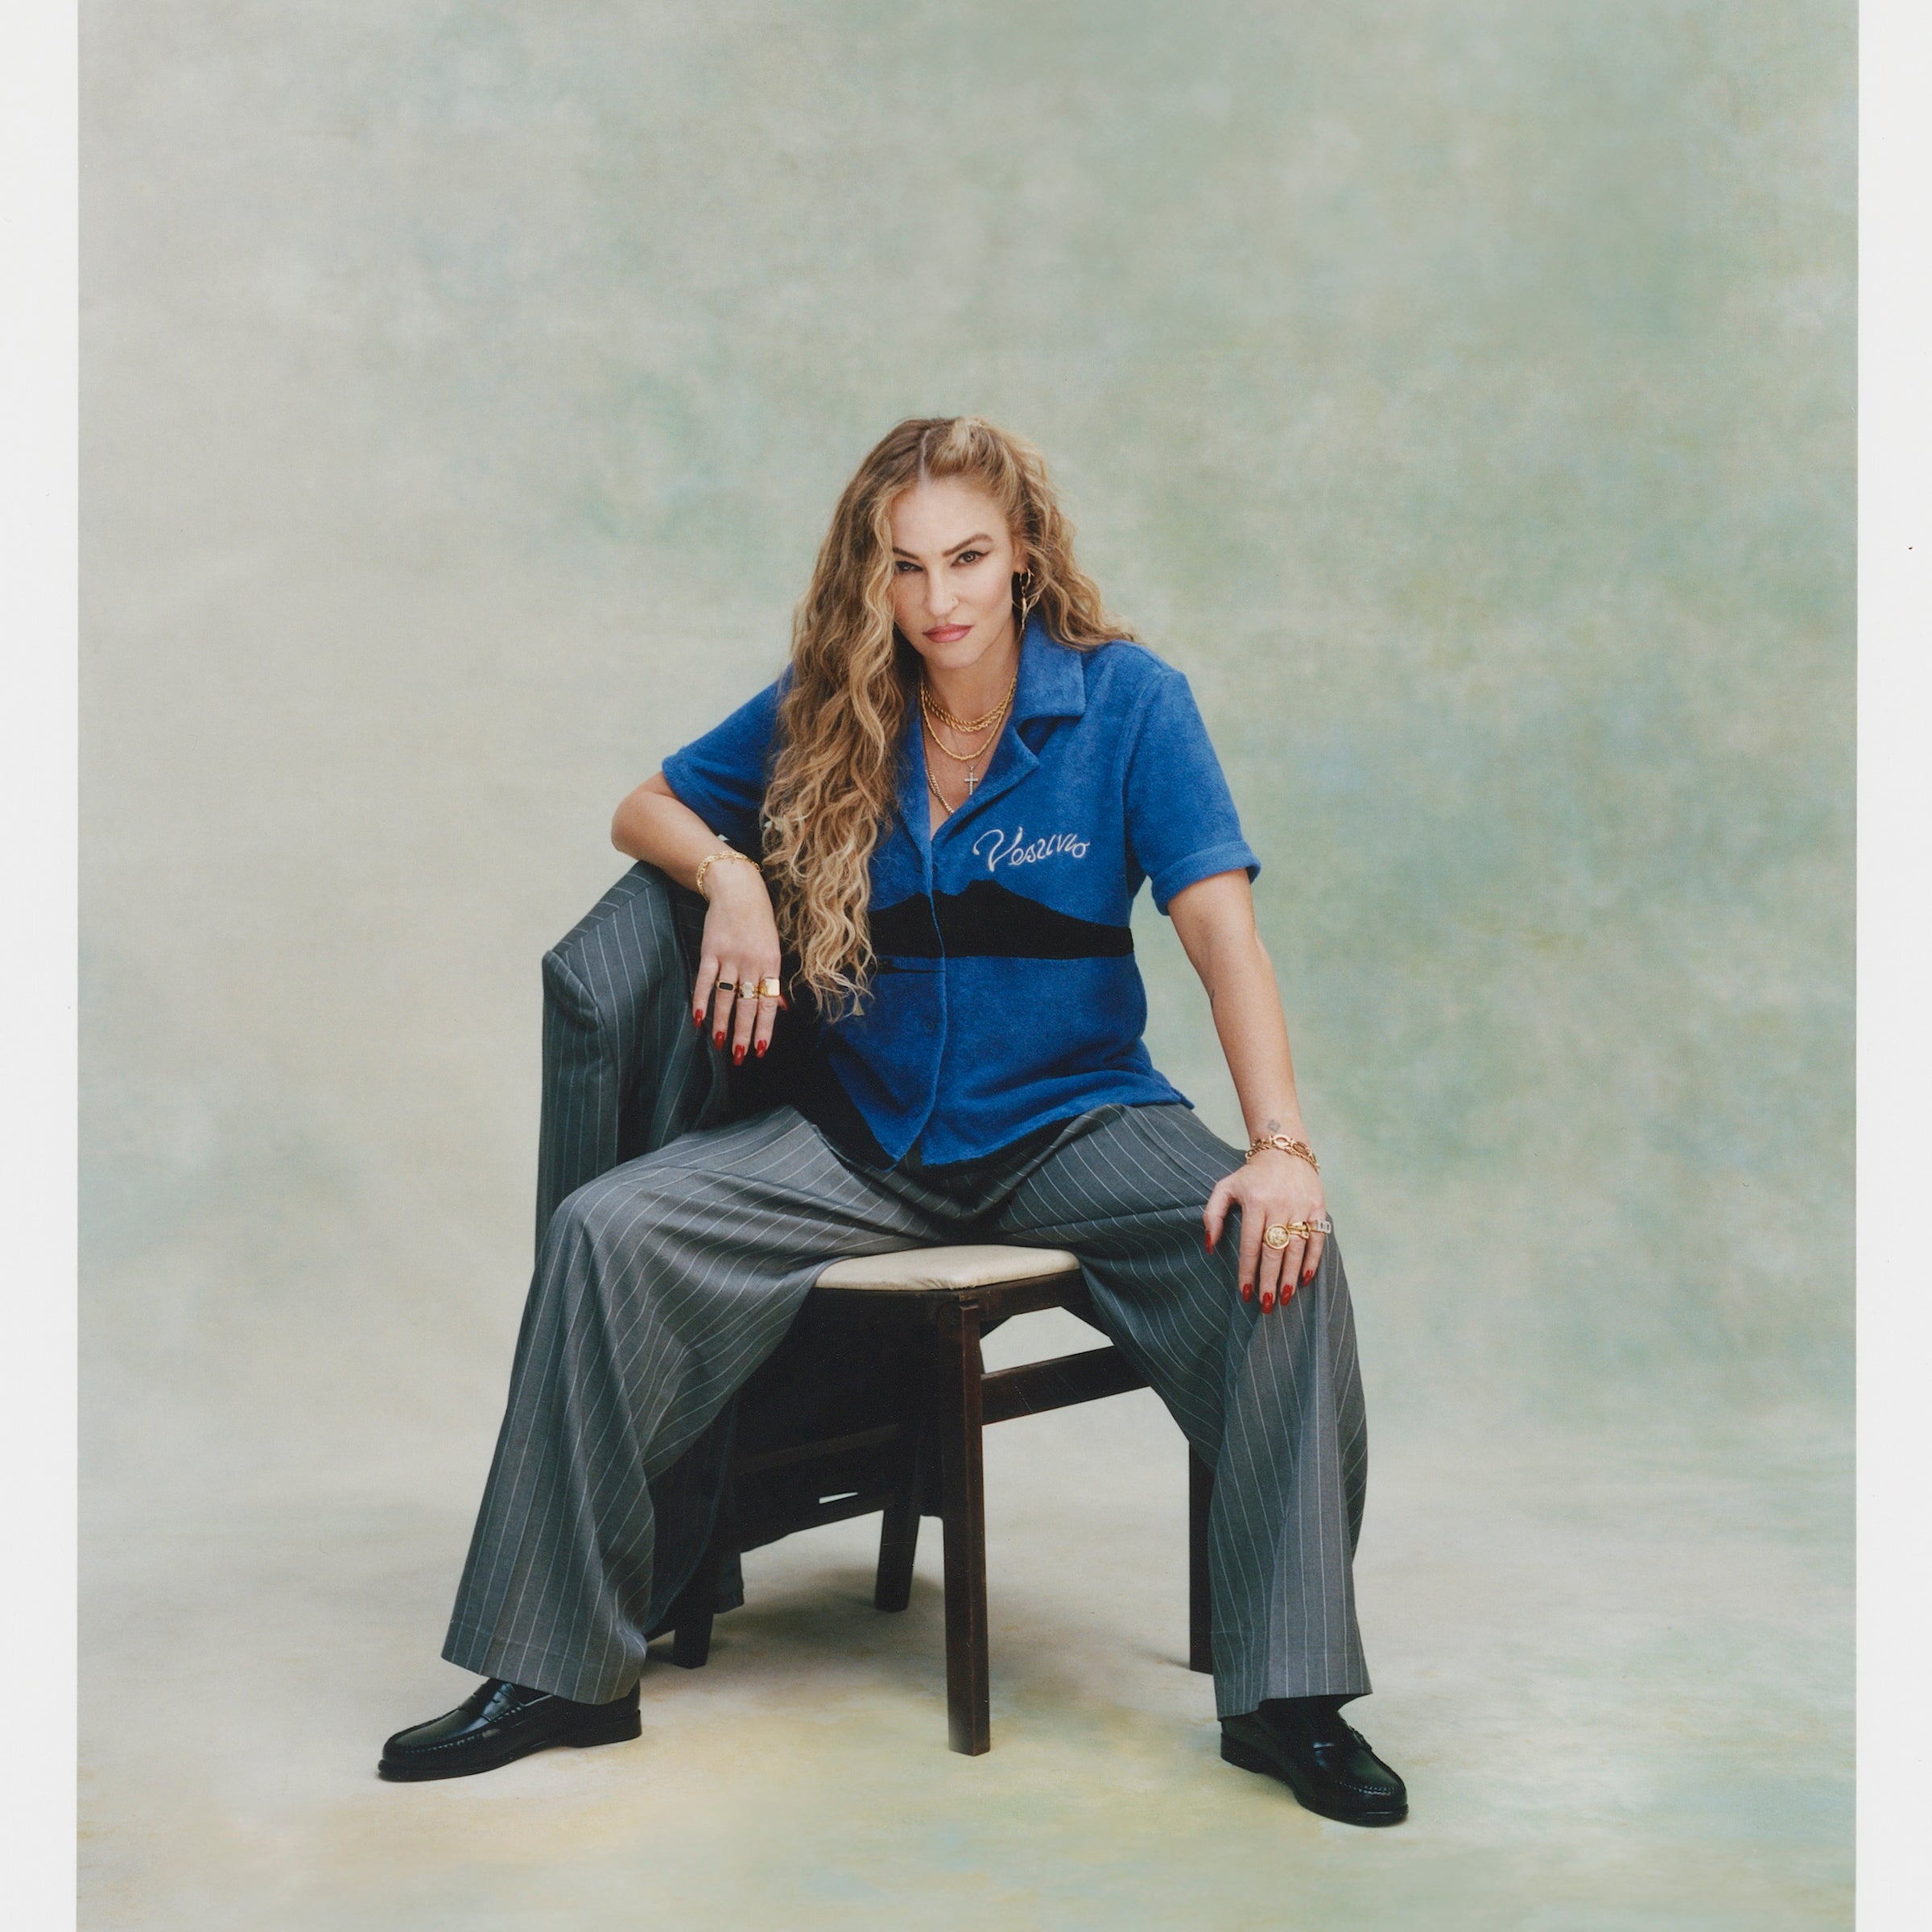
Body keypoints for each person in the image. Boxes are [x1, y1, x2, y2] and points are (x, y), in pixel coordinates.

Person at [378, 416, 1407, 1826]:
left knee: (1281, 1259)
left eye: (970, 558)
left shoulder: (1129, 706)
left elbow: (1224, 935)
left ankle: (1291, 1700)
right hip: (856, 1142)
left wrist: (1280, 1147)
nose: (941, 600)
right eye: (908, 567)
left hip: (1076, 1125)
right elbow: (644, 807)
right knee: (604, 1230)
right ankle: (558, 1673)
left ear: (1025, 552)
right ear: (874, 578)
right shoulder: (829, 701)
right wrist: (732, 875)